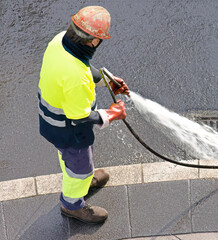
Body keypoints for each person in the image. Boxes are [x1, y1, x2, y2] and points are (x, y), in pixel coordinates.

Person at [38, 6, 129, 224]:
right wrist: (111, 114)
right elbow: (80, 118)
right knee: (79, 167)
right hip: (68, 130)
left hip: (52, 120)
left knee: (70, 160)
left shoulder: (60, 41)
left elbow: (83, 65)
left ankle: (83, 181)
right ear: (93, 41)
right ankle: (72, 205)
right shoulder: (75, 78)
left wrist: (106, 79)